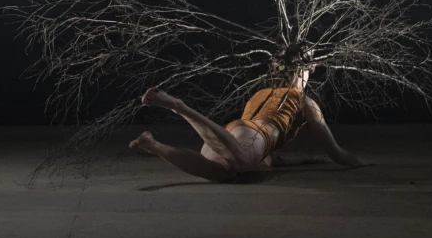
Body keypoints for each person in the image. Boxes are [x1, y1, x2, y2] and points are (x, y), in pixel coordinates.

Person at [129, 47, 367, 182]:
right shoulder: (303, 101)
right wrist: (358, 161)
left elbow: (270, 158)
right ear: (303, 72)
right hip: (249, 136)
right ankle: (178, 106)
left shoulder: (262, 92)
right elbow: (337, 153)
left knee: (222, 171)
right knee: (241, 161)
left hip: (233, 130)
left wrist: (308, 160)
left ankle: (153, 145)